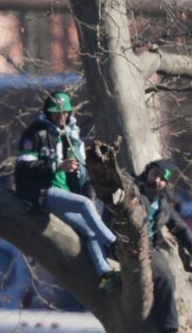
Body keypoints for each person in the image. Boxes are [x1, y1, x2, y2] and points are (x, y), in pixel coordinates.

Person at [14, 90, 119, 286]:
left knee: (90, 231)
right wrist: (57, 165)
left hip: (65, 195)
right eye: (56, 113)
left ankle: (104, 272)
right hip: (43, 193)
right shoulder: (36, 133)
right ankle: (114, 243)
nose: (61, 117)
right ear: (47, 113)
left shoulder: (71, 135)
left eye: (64, 113)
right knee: (86, 205)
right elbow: (24, 166)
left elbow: (82, 172)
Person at [137, 158, 192, 333]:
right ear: (147, 172)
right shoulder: (134, 190)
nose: (157, 181)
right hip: (124, 244)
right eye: (154, 175)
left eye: (162, 179)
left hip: (148, 247)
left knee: (166, 277)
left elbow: (180, 227)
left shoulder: (164, 203)